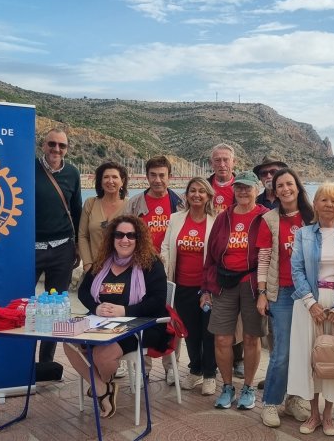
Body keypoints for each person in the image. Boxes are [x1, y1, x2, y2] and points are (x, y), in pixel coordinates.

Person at [64, 215, 168, 419]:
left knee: (103, 355)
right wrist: (96, 307)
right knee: (68, 342)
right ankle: (104, 389)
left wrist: (124, 311)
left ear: (139, 239)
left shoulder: (151, 264)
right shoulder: (102, 262)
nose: (125, 240)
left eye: (131, 235)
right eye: (119, 234)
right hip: (102, 321)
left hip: (142, 323)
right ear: (112, 238)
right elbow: (84, 292)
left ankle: (99, 386)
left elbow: (157, 301)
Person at [287, 183, 334, 437]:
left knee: (332, 357)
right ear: (315, 204)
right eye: (323, 200)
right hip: (309, 303)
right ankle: (313, 414)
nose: (328, 204)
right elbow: (295, 268)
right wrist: (310, 303)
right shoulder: (303, 234)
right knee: (312, 357)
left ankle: (329, 414)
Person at [201, 171, 269, 410]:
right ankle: (228, 387)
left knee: (251, 337)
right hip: (224, 282)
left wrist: (265, 290)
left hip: (252, 283)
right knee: (222, 338)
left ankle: (248, 387)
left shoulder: (265, 217)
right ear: (233, 190)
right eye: (238, 187)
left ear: (257, 190)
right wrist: (205, 289)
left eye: (247, 188)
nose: (242, 191)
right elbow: (210, 255)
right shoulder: (224, 217)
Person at [256, 167, 314, 427]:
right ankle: (270, 402)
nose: (285, 189)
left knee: (306, 349)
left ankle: (296, 398)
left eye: (289, 184)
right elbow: (264, 258)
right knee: (281, 351)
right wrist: (261, 293)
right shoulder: (269, 219)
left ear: (298, 187)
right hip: (281, 292)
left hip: (309, 292)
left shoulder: (311, 217)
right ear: (274, 190)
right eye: (280, 185)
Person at [126, 155, 184, 383]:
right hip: (142, 268)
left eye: (162, 175)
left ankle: (172, 367)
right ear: (147, 176)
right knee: (142, 316)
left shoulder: (180, 203)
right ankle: (144, 367)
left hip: (170, 269)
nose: (158, 180)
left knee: (172, 318)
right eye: (153, 175)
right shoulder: (134, 203)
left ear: (170, 177)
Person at [160, 177, 218, 396]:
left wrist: (210, 288)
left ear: (208, 196)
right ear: (186, 194)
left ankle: (210, 374)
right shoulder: (175, 218)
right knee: (190, 332)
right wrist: (164, 261)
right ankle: (195, 370)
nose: (196, 195)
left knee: (209, 331)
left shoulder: (216, 220)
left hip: (207, 288)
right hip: (182, 285)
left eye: (201, 191)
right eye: (192, 190)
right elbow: (166, 246)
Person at [34, 128, 82, 373]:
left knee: (55, 309)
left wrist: (77, 246)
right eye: (52, 144)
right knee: (23, 303)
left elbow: (77, 211)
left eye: (62, 146)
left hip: (63, 249)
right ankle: (20, 359)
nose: (56, 149)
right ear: (43, 145)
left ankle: (45, 365)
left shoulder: (72, 173)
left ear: (67, 148)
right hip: (31, 250)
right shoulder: (29, 168)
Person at [207, 143, 245, 379]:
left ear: (234, 162)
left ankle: (238, 358)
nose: (222, 164)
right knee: (214, 311)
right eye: (217, 160)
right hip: (210, 254)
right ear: (211, 163)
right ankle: (210, 362)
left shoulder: (242, 188)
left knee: (239, 313)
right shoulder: (204, 187)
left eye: (226, 160)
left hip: (237, 256)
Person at [252, 155, 288, 385]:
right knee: (269, 330)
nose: (268, 176)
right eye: (264, 173)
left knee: (282, 330)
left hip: (285, 276)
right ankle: (275, 374)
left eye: (272, 171)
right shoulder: (256, 202)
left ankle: (284, 377)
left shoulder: (292, 202)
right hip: (260, 272)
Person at [79, 161, 128, 273]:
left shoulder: (130, 206)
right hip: (93, 269)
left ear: (122, 181)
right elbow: (82, 236)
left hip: (121, 270)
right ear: (100, 181)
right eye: (106, 177)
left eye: (115, 177)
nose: (110, 181)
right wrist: (87, 264)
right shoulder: (90, 203)